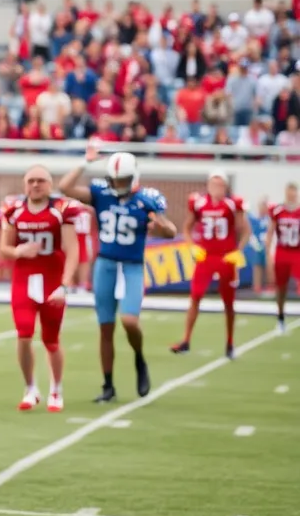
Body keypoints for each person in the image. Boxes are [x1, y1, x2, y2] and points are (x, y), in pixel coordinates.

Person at [59, 147, 177, 403]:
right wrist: (84, 162)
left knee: (130, 321)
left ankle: (139, 358)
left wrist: (160, 224)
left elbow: (170, 231)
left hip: (132, 266)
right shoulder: (102, 193)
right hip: (105, 265)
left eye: (122, 179)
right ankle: (108, 385)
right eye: (114, 179)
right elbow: (65, 187)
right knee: (105, 328)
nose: (117, 184)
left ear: (133, 177)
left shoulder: (147, 199)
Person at [0, 166, 80, 412]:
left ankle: (56, 388)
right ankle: (30, 388)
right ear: (25, 184)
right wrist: (17, 251)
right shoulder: (13, 209)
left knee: (51, 340)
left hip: (51, 278)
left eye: (41, 181)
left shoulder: (61, 209)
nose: (35, 185)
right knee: (23, 334)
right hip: (24, 278)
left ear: (50, 183)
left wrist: (65, 285)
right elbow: (4, 247)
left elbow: (72, 249)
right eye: (31, 181)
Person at [172, 169, 248, 359]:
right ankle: (186, 340)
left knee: (228, 303)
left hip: (225, 257)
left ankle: (230, 342)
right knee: (195, 296)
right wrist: (192, 246)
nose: (216, 188)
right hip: (205, 257)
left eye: (220, 184)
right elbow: (187, 228)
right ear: (207, 185)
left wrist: (238, 250)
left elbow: (245, 230)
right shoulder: (199, 203)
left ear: (225, 186)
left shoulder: (232, 204)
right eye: (213, 184)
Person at [266, 183, 300, 334]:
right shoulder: (278, 210)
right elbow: (270, 232)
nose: (291, 195)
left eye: (293, 192)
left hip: (297, 251)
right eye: (289, 192)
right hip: (282, 250)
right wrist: (268, 253)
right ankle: (280, 317)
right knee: (281, 288)